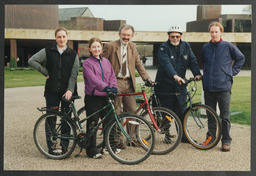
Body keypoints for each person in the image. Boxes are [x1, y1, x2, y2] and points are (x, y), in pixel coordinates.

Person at [28, 27, 79, 155]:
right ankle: (51, 147)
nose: (61, 39)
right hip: (51, 90)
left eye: (63, 36)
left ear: (67, 37)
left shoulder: (73, 54)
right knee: (51, 119)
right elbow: (31, 60)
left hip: (67, 92)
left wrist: (70, 90)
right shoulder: (47, 51)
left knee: (67, 120)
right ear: (55, 38)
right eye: (59, 37)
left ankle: (64, 147)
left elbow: (74, 74)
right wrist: (45, 72)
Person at [102, 24, 152, 147]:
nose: (126, 37)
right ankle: (117, 140)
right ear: (119, 34)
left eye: (128, 35)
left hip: (129, 82)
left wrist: (146, 78)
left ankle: (132, 138)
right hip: (116, 81)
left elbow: (138, 63)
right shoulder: (111, 46)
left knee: (132, 112)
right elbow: (102, 63)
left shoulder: (133, 46)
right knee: (117, 111)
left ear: (132, 36)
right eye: (124, 34)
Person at [200, 22, 245, 152]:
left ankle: (226, 141)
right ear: (210, 33)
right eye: (212, 32)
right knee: (210, 115)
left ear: (221, 32)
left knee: (224, 116)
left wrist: (231, 72)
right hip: (208, 87)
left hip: (223, 87)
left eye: (216, 32)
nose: (214, 34)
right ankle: (211, 138)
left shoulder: (228, 46)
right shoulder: (205, 47)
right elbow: (204, 61)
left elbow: (241, 58)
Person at [155, 26, 202, 143]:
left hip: (180, 84)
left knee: (182, 110)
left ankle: (183, 136)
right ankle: (166, 134)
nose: (175, 38)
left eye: (177, 36)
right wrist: (175, 76)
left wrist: (197, 73)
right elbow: (166, 64)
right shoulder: (163, 48)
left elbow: (192, 61)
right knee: (166, 110)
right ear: (168, 36)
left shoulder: (186, 46)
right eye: (172, 36)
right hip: (165, 85)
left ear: (181, 36)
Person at [83, 37, 118, 159]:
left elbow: (112, 76)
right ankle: (91, 150)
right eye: (94, 47)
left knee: (110, 121)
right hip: (93, 97)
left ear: (101, 48)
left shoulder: (106, 62)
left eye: (98, 46)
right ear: (90, 49)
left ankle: (108, 146)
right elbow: (93, 80)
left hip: (106, 97)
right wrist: (106, 87)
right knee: (93, 124)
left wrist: (113, 87)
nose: (96, 49)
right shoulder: (87, 63)